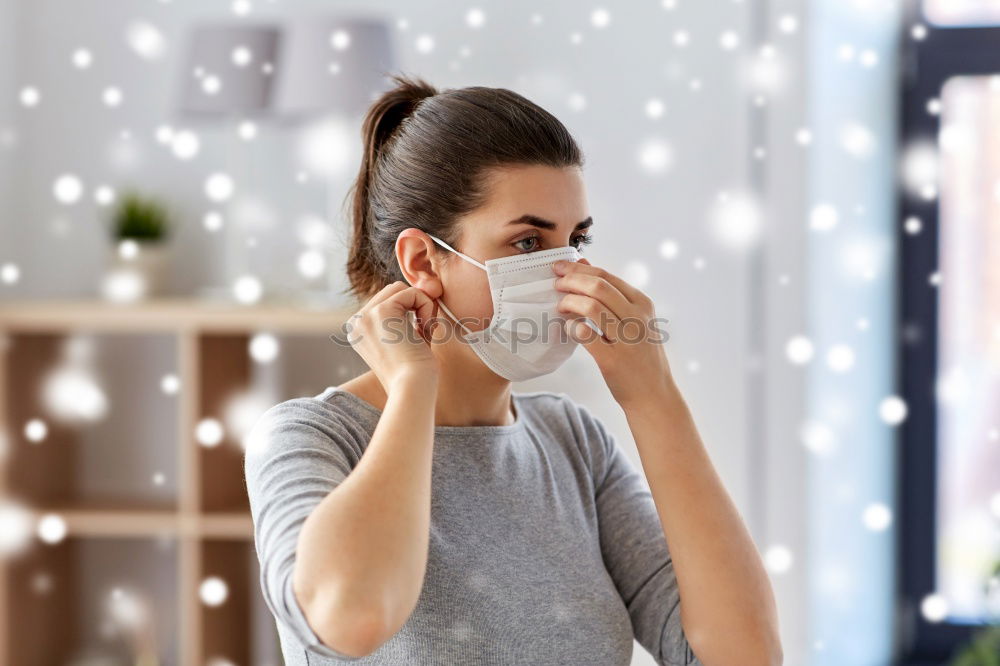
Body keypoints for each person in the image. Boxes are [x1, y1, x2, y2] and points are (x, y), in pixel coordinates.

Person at [244, 72, 782, 666]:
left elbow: (744, 655)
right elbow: (351, 618)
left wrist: (654, 398)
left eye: (575, 240)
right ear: (423, 260)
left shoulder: (573, 444)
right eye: (528, 242)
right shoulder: (308, 437)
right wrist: (412, 387)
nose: (566, 272)